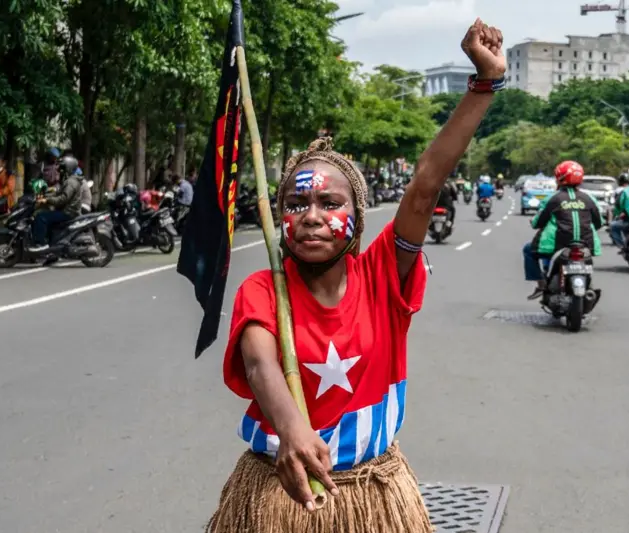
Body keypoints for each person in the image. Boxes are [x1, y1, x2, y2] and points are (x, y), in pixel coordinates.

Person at [206, 17, 505, 533]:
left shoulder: (384, 274)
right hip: (276, 495)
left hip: (373, 492)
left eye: (329, 202)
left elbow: (425, 184)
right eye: (297, 203)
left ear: (357, 218)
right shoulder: (263, 290)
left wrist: (484, 84)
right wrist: (293, 429)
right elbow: (259, 364)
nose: (313, 214)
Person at [523, 161, 603, 300]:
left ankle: (541, 284)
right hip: (586, 244)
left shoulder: (553, 198)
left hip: (556, 245)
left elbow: (538, 222)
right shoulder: (589, 198)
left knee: (528, 250)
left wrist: (534, 222)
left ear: (559, 177)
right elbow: (599, 222)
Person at [29, 155, 83, 252]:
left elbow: (63, 199)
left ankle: (40, 244)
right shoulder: (69, 180)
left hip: (68, 212)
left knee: (41, 217)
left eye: (62, 168)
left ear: (68, 168)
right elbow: (58, 193)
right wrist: (45, 197)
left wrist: (47, 200)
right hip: (67, 210)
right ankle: (51, 245)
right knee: (45, 213)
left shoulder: (71, 182)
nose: (59, 170)